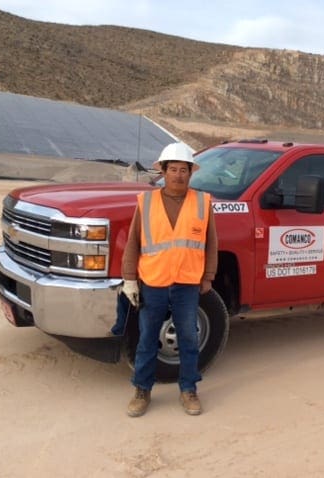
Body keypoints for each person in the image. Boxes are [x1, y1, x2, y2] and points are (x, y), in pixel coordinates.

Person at [121, 141, 218, 417]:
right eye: (173, 169)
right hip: (154, 282)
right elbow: (133, 242)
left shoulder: (202, 202)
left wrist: (208, 275)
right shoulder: (146, 202)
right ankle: (142, 389)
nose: (178, 175)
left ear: (191, 173)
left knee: (189, 338)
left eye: (183, 170)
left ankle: (188, 389)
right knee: (147, 338)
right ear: (163, 172)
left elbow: (212, 242)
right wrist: (129, 279)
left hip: (187, 283)